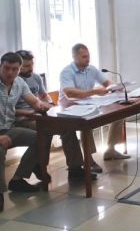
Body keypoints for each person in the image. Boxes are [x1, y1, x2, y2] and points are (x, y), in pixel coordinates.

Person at [14, 50, 93, 180]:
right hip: (23, 119)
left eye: (32, 65)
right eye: (26, 66)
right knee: (46, 130)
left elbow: (44, 97)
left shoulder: (35, 77)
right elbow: (8, 109)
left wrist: (51, 105)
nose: (30, 68)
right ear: (19, 66)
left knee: (67, 128)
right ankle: (39, 165)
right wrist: (34, 110)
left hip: (39, 115)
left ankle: (75, 168)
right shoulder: (13, 81)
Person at [59, 43, 130, 162]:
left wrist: (116, 88)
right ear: (74, 57)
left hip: (88, 102)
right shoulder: (67, 72)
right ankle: (89, 159)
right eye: (84, 57)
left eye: (88, 56)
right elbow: (70, 93)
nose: (87, 59)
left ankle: (110, 150)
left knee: (119, 113)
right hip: (69, 107)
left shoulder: (91, 69)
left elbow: (107, 83)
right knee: (88, 122)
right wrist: (94, 91)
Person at [0, 52, 52, 212]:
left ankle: (18, 179)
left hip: (9, 128)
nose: (10, 73)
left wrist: (41, 105)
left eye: (14, 69)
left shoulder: (19, 82)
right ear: (0, 66)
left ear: (19, 69)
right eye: (6, 68)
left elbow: (34, 101)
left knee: (42, 137)